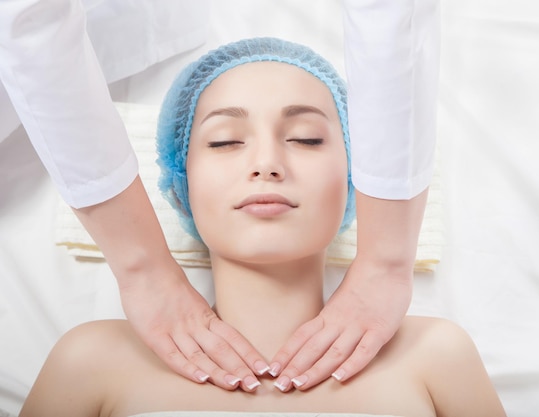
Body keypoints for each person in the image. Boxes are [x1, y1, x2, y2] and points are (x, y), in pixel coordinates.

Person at [19, 37, 504, 417]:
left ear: (360, 178)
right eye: (226, 142)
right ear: (178, 186)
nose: (267, 163)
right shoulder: (89, 361)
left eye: (306, 138)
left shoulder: (439, 357)